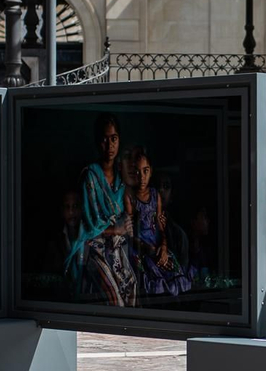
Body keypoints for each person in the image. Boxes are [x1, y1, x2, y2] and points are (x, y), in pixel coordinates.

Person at [65, 113, 138, 306]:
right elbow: (89, 227)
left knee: (133, 290)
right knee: (115, 301)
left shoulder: (122, 179)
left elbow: (128, 217)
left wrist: (127, 226)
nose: (110, 145)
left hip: (117, 250)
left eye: (114, 138)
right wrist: (117, 229)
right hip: (94, 250)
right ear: (98, 142)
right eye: (104, 139)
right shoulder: (90, 176)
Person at [129, 148, 192, 300]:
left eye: (166, 186)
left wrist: (163, 250)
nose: (161, 191)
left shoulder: (177, 234)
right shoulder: (133, 202)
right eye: (158, 186)